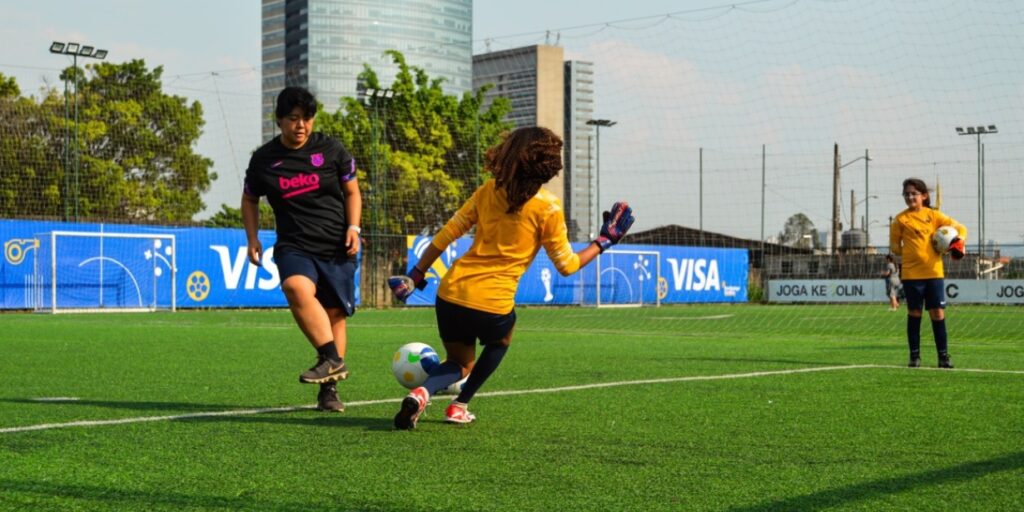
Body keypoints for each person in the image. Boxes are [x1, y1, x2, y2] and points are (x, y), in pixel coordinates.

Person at [387, 126, 635, 429]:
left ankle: (421, 392)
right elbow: (567, 265)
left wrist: (416, 273)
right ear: (547, 166)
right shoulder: (549, 207)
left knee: (458, 363)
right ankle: (459, 405)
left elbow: (447, 233)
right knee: (501, 341)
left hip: (451, 294)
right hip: (493, 303)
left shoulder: (489, 190)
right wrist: (602, 243)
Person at [242, 86, 362, 412]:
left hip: (338, 245)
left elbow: (352, 192)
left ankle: (329, 389)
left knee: (335, 313)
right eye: (294, 118)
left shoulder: (331, 149)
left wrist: (354, 227)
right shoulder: (264, 160)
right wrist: (252, 238)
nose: (301, 126)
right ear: (279, 120)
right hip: (294, 245)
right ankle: (332, 359)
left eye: (307, 118)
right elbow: (250, 198)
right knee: (295, 287)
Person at [889, 178, 966, 369]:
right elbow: (894, 248)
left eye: (913, 193)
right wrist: (908, 250)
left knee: (937, 313)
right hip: (912, 275)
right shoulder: (900, 220)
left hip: (934, 273)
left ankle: (943, 357)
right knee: (914, 313)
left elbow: (961, 228)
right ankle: (914, 357)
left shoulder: (934, 215)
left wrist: (957, 241)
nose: (909, 197)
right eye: (906, 194)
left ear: (924, 196)